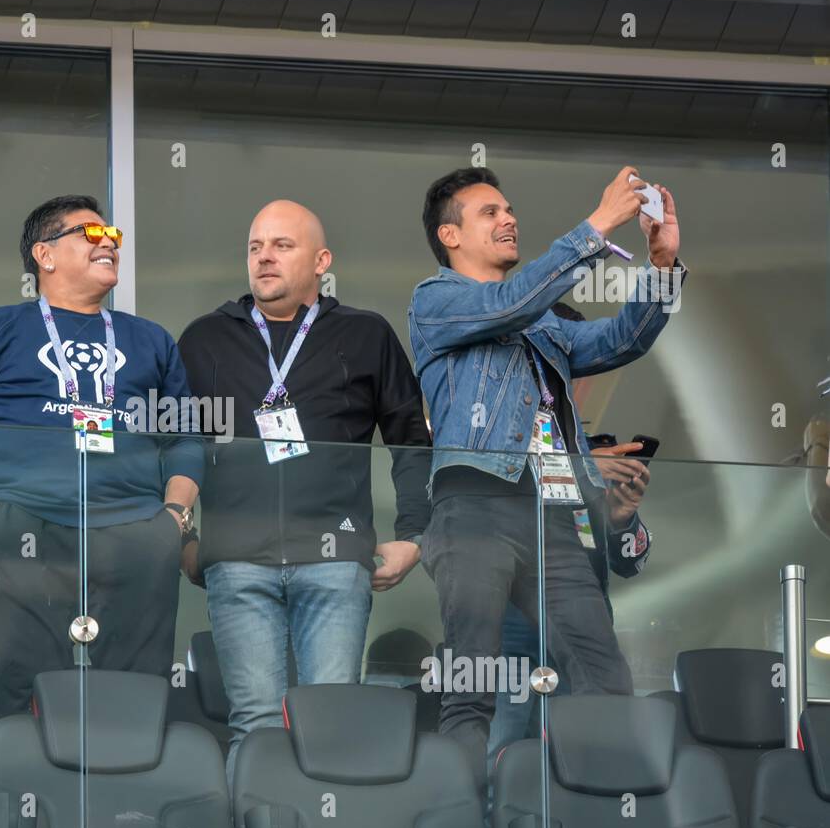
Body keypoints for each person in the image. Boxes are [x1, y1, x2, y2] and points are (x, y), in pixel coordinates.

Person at [409, 166, 684, 790]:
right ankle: (458, 827)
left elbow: (622, 340)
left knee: (603, 677)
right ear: (450, 236)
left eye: (509, 209)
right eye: (489, 213)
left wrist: (662, 266)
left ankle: (605, 818)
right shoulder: (434, 299)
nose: (509, 219)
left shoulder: (542, 323)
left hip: (549, 520)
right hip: (473, 506)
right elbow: (510, 302)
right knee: (472, 688)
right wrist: (599, 224)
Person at [178, 199, 431, 781]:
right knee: (256, 725)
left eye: (282, 245)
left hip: (336, 559)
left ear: (322, 261)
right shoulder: (204, 339)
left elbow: (412, 441)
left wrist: (414, 535)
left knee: (332, 724)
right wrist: (184, 537)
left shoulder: (365, 334)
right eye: (255, 246)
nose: (264, 256)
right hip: (237, 559)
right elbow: (168, 445)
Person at [0, 195, 203, 717]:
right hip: (26, 528)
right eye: (90, 234)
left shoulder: (150, 339)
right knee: (26, 695)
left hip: (137, 534)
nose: (109, 243)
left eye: (113, 237)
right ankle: (29, 800)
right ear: (45, 255)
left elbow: (185, 438)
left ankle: (128, 802)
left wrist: (174, 521)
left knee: (136, 703)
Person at [486, 306, 654, 766]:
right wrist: (583, 470)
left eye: (579, 362)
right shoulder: (492, 437)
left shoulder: (596, 450)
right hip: (512, 623)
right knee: (502, 752)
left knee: (593, 752)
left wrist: (621, 516)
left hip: (585, 620)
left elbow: (631, 562)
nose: (574, 374)